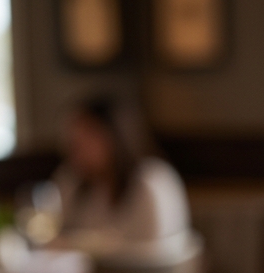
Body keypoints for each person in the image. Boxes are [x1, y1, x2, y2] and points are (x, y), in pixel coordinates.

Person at [53, 96, 190, 252]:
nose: (76, 145)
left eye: (87, 133)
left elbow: (155, 257)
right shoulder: (74, 182)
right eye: (73, 136)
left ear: (114, 135)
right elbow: (58, 238)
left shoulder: (151, 182)